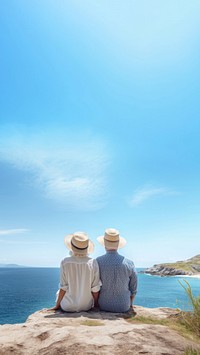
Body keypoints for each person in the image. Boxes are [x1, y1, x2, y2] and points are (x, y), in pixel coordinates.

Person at [52, 231, 101, 312]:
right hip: (86, 306)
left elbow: (63, 288)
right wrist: (95, 304)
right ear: (86, 247)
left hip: (67, 306)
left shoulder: (65, 262)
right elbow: (95, 288)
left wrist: (57, 305)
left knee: (59, 291)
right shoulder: (93, 262)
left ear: (72, 246)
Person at [96, 228, 138, 313]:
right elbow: (134, 287)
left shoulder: (98, 261)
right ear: (118, 244)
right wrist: (130, 303)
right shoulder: (129, 263)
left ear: (104, 244)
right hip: (124, 306)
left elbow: (94, 285)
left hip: (103, 305)